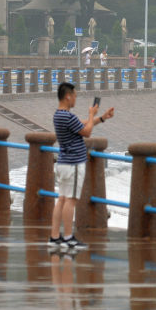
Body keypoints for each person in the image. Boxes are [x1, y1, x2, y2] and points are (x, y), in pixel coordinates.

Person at [49, 82, 114, 251]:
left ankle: (55, 237)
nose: (76, 99)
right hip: (74, 164)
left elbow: (82, 125)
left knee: (62, 200)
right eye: (75, 96)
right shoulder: (68, 116)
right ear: (68, 96)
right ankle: (69, 238)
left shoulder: (59, 115)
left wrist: (101, 118)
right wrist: (92, 114)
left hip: (63, 163)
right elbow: (87, 132)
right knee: (71, 201)